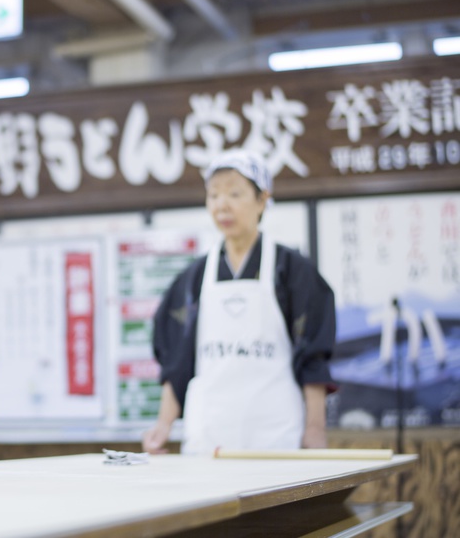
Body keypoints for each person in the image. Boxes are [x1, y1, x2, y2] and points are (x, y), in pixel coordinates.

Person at [141, 149, 336, 456]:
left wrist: (315, 429)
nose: (222, 205)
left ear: (262, 200)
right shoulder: (192, 279)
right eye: (214, 195)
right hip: (209, 435)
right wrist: (163, 425)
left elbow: (313, 357)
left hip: (276, 434)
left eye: (234, 193)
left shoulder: (293, 270)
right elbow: (178, 360)